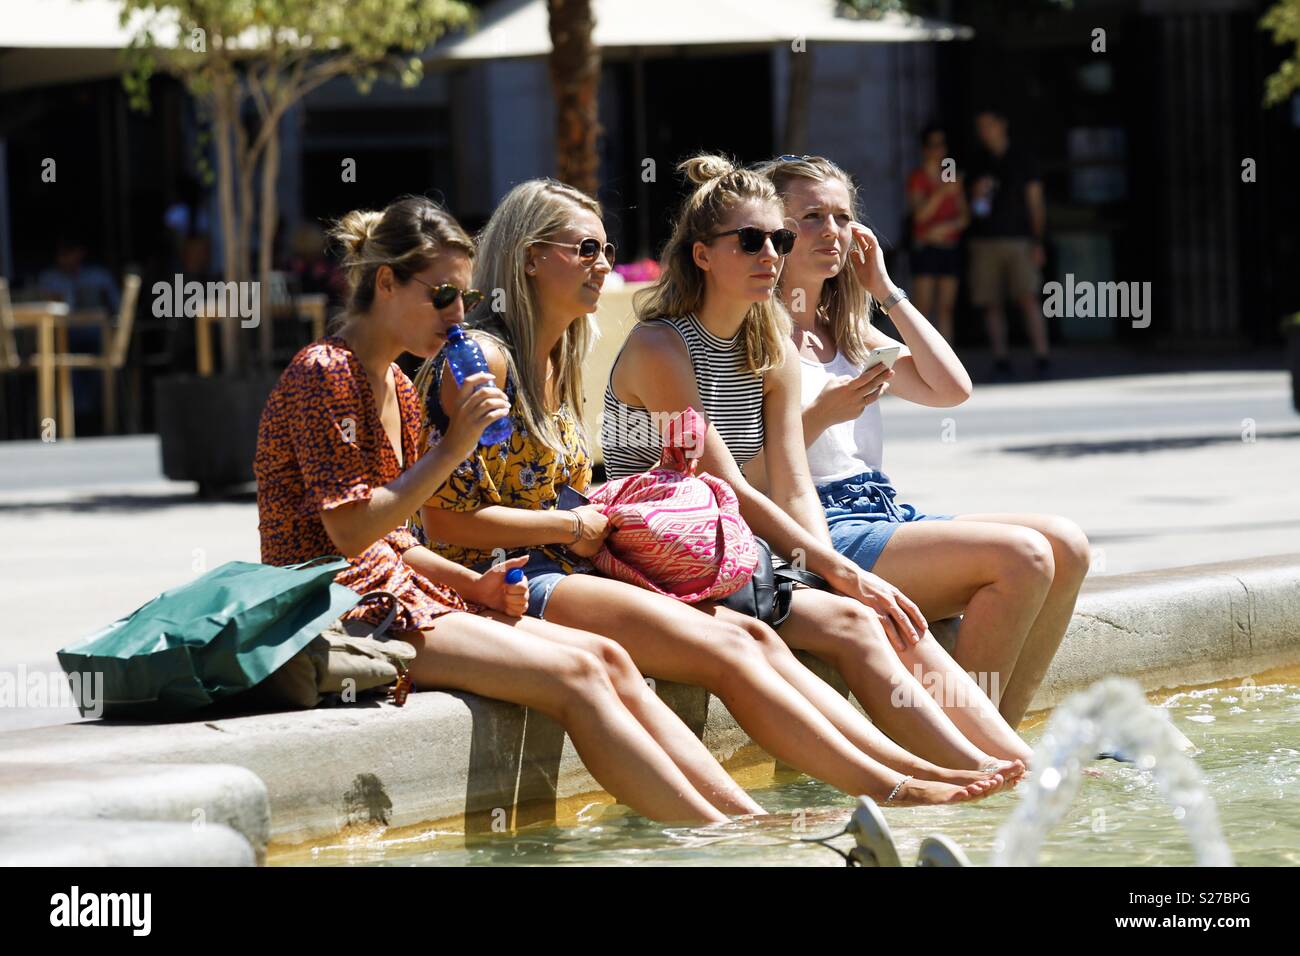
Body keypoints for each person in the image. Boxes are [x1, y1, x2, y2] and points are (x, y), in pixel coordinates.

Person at [415, 177, 1018, 806]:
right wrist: (576, 525)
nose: (604, 266)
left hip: (627, 551)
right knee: (772, 635)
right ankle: (884, 790)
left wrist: (817, 564)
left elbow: (777, 474)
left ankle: (915, 776)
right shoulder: (499, 357)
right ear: (531, 256)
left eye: (605, 249)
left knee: (772, 634)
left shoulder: (561, 356)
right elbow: (444, 522)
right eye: (585, 250)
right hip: (524, 573)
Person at [253, 195, 756, 824]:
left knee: (608, 658)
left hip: (397, 588)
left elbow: (398, 540)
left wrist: (474, 585)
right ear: (386, 283)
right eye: (442, 295)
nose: (458, 315)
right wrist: (454, 447)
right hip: (333, 602)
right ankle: (719, 838)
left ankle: (745, 821)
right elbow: (351, 532)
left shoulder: (399, 388)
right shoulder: (323, 373)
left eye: (463, 296)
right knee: (576, 673)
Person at [599, 157, 1034, 776]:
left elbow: (793, 475)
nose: (771, 255)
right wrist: (836, 570)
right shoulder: (660, 346)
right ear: (701, 256)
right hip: (660, 553)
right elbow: (724, 484)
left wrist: (821, 567)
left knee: (874, 614)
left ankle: (1010, 765)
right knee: (862, 615)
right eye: (751, 241)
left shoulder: (768, 337)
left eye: (778, 240)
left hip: (738, 547)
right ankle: (949, 775)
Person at [752, 153, 1090, 728]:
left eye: (841, 217)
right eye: (811, 217)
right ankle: (966, 742)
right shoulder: (753, 329)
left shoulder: (849, 327)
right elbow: (738, 478)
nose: (831, 232)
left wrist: (885, 289)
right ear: (771, 230)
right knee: (1022, 556)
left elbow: (950, 388)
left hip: (883, 510)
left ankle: (999, 734)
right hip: (814, 528)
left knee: (1067, 544)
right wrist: (823, 414)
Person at [967, 108, 1050, 379]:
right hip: (985, 240)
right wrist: (974, 194)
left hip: (1019, 239)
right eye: (980, 127)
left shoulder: (1023, 159)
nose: (984, 132)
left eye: (988, 125)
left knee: (1028, 297)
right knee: (991, 301)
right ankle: (1000, 357)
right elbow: (967, 206)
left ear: (1002, 125)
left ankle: (1042, 355)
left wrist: (1038, 241)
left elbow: (1035, 203)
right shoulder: (977, 161)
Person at [905, 125, 968, 343]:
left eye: (942, 145)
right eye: (933, 145)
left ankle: (947, 357)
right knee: (923, 308)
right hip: (926, 247)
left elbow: (964, 216)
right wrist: (941, 192)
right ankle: (922, 355)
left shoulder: (950, 174)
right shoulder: (918, 177)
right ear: (925, 149)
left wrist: (944, 228)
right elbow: (920, 216)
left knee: (946, 308)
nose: (939, 150)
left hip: (948, 245)